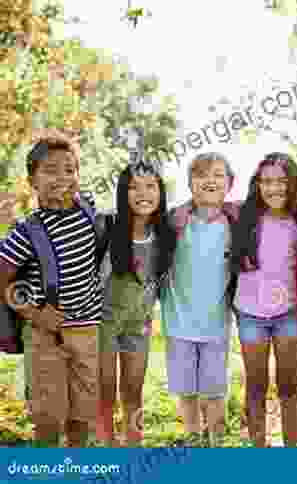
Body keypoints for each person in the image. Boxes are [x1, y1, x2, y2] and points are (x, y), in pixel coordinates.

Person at [0, 135, 102, 447]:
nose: (62, 178)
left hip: (87, 331)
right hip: (46, 337)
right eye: (51, 170)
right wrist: (33, 313)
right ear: (32, 180)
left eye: (70, 170)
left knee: (82, 415)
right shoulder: (25, 232)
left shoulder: (88, 210)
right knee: (48, 417)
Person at [161, 152, 240, 447]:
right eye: (202, 175)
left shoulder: (235, 220)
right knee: (186, 391)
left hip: (217, 323)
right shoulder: (176, 220)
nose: (210, 180)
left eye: (218, 175)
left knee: (215, 390)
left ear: (230, 184)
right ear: (190, 184)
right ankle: (193, 437)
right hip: (178, 320)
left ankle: (216, 440)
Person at [96, 162, 177, 446]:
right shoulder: (106, 226)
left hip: (138, 326)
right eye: (134, 187)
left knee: (133, 392)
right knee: (105, 392)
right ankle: (109, 450)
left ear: (160, 192)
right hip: (103, 324)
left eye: (151, 186)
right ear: (122, 192)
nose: (143, 193)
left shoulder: (165, 235)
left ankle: (134, 447)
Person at [230, 153, 297, 447]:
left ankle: (290, 452)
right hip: (250, 315)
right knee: (256, 386)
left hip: (289, 314)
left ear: (293, 184)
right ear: (258, 185)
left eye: (282, 181)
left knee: (288, 386)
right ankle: (259, 451)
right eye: (267, 182)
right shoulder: (242, 216)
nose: (274, 188)